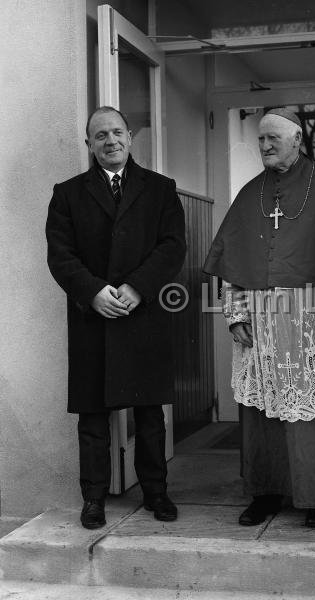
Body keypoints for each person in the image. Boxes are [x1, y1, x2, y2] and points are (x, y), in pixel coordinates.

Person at [204, 107, 315, 528]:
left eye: (273, 139)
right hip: (263, 327)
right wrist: (235, 314)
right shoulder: (250, 194)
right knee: (261, 411)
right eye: (261, 139)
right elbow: (233, 265)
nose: (264, 145)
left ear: (297, 141)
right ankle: (265, 493)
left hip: (312, 324)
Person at [46, 106, 186, 529]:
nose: (111, 141)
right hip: (94, 318)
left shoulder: (161, 189)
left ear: (130, 137)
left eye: (117, 132)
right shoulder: (68, 193)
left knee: (148, 416)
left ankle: (156, 493)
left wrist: (136, 287)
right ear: (89, 144)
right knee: (92, 418)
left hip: (142, 315)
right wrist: (93, 292)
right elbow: (60, 255)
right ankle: (93, 499)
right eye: (100, 135)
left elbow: (172, 246)